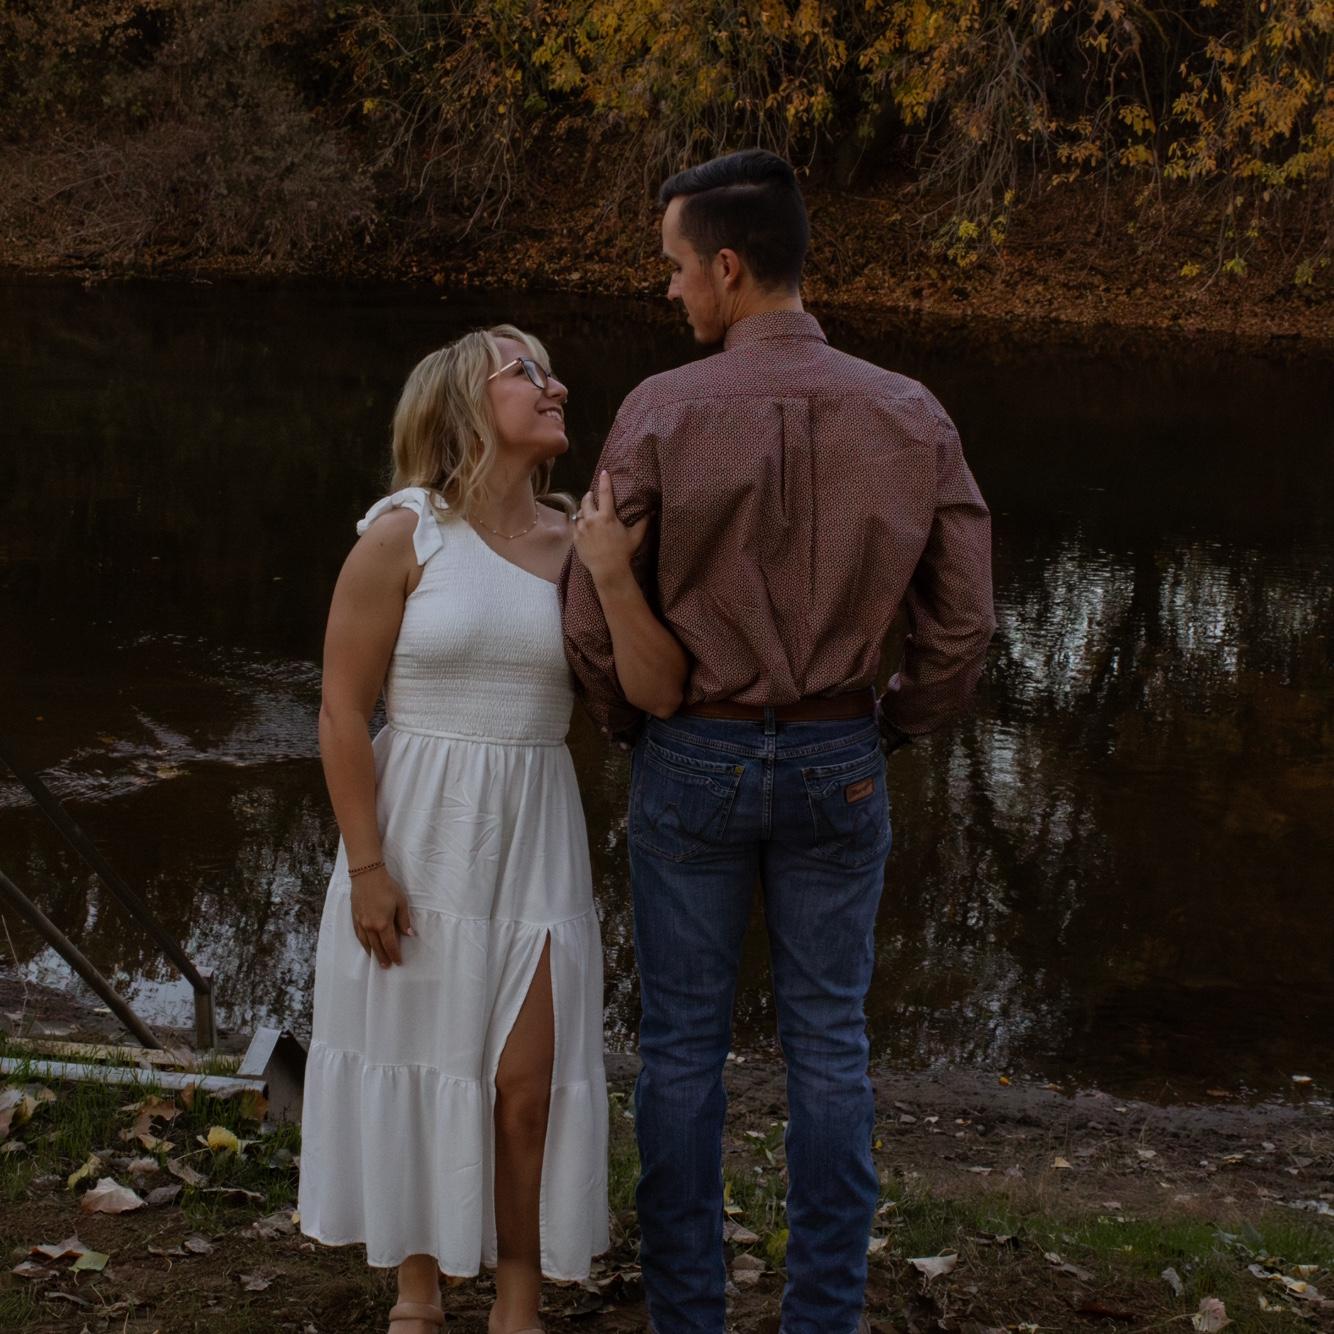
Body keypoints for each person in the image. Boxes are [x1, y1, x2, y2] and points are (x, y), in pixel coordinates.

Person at [560, 149, 996, 1334]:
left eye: (673, 267)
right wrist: (891, 723)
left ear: (728, 267)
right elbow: (961, 624)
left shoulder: (659, 409)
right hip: (836, 756)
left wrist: (632, 726)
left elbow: (591, 613)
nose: (668, 290)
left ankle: (686, 1316)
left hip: (691, 755)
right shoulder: (909, 412)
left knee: (679, 1050)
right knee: (828, 1045)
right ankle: (821, 1317)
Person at [298, 326, 616, 1334]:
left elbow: (629, 695)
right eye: (525, 372)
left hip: (536, 835)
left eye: (549, 370)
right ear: (465, 405)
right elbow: (341, 710)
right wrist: (366, 866)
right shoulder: (404, 535)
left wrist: (618, 570)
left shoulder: (580, 547)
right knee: (423, 1058)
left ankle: (517, 1303)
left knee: (525, 1088)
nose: (553, 385)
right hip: (419, 833)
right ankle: (418, 1290)